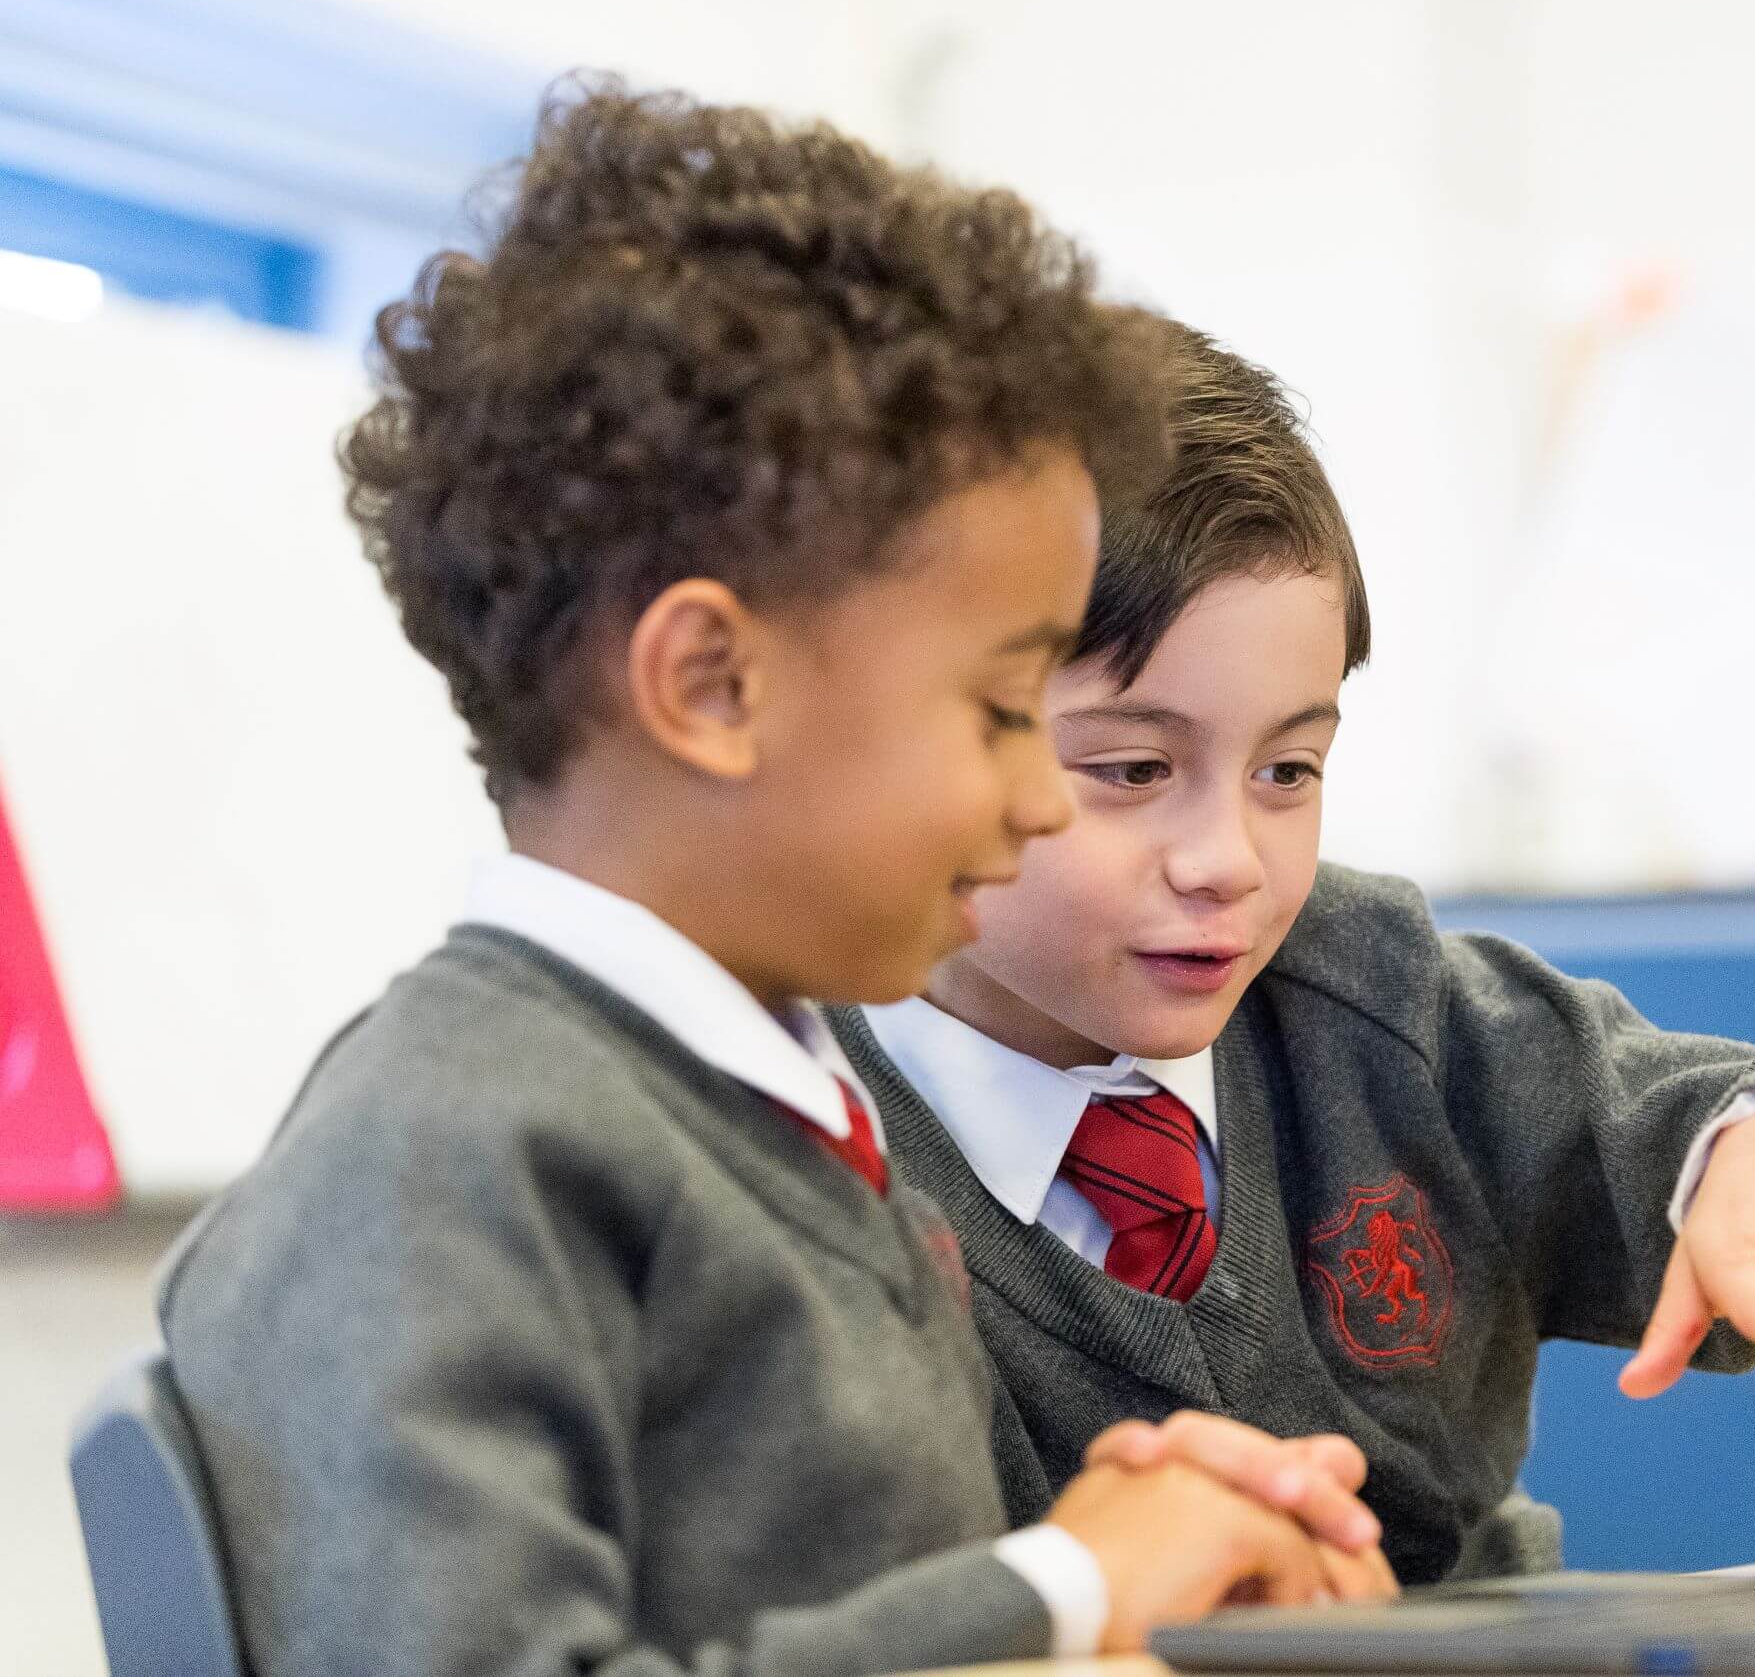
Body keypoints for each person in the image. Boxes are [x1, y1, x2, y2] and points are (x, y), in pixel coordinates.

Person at [157, 87, 1391, 1677]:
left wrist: (1124, 1572)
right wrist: (1060, 1587)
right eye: (1000, 707)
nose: (1034, 799)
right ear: (713, 683)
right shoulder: (444, 1150)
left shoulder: (765, 1112)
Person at [832, 324, 1755, 1583]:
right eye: (1132, 770)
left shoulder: (1371, 999)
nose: (1226, 856)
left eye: (1289, 770)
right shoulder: (798, 1138)